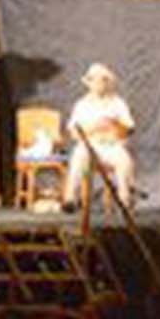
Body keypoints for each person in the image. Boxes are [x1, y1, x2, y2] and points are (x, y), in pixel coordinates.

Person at [64, 62, 137, 212]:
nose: (99, 84)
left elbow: (129, 128)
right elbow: (73, 131)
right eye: (95, 81)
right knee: (78, 156)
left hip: (112, 146)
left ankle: (124, 199)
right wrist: (93, 128)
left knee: (123, 160)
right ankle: (70, 198)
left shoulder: (117, 103)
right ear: (89, 83)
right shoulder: (82, 105)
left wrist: (114, 124)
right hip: (89, 145)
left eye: (103, 81)